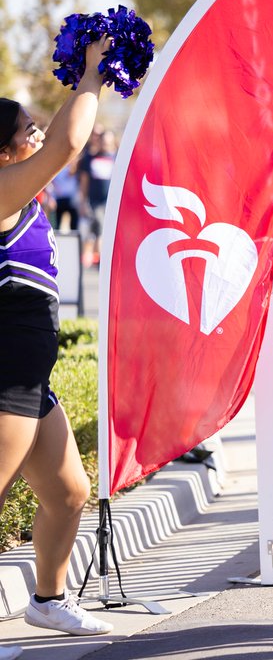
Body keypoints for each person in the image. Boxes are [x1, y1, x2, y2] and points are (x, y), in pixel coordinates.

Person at [0, 39, 114, 646]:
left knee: (69, 493)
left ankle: (46, 601)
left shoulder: (22, 194)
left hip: (28, 380)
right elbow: (72, 142)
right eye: (27, 128)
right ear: (2, 153)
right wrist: (94, 72)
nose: (38, 132)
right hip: (4, 376)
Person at [77, 129, 115, 267]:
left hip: (110, 202)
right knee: (98, 228)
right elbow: (84, 181)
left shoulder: (116, 158)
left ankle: (102, 259)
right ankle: (99, 260)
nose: (105, 144)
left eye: (108, 141)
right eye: (103, 141)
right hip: (94, 201)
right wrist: (82, 201)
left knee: (104, 231)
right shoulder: (90, 159)